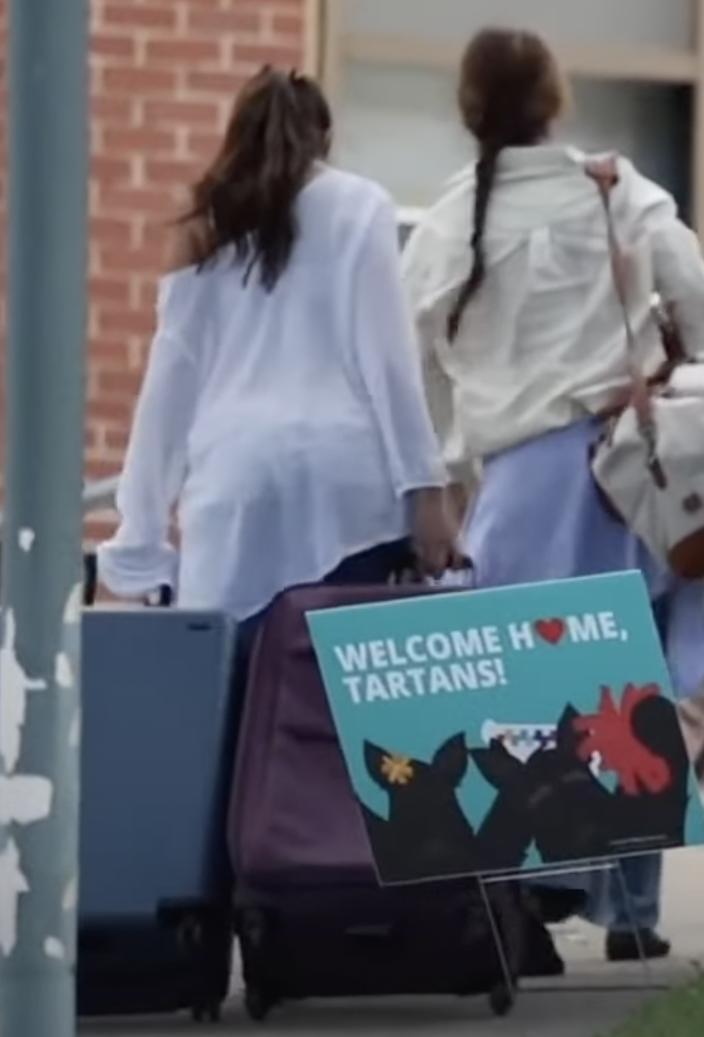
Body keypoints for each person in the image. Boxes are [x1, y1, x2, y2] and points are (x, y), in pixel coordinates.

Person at [401, 28, 704, 963]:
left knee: (516, 706)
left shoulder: (448, 223)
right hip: (620, 470)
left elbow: (410, 364)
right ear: (558, 100)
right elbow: (698, 307)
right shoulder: (618, 192)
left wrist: (443, 473)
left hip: (509, 486)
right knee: (623, 698)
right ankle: (630, 913)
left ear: (468, 111)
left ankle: (522, 913)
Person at [97, 65, 459, 695]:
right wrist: (427, 489)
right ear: (323, 137)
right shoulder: (359, 205)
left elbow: (168, 392)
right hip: (347, 495)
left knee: (236, 721)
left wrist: (140, 537)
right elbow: (387, 358)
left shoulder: (204, 227)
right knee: (348, 723)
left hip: (234, 494)